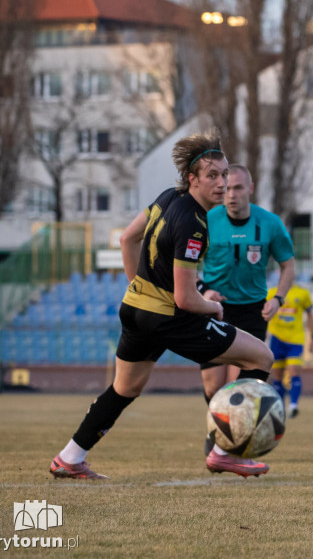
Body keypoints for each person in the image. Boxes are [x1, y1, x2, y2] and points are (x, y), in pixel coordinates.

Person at [49, 134, 275, 480]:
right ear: (192, 179)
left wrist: (140, 289)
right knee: (260, 357)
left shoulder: (168, 198)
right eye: (212, 175)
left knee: (125, 389)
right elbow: (186, 300)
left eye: (224, 174)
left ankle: (70, 457)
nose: (222, 182)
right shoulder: (195, 226)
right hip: (168, 316)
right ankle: (223, 452)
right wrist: (212, 308)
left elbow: (128, 239)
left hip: (136, 309)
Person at [199, 164, 295, 452]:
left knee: (238, 386)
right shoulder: (206, 220)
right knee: (212, 387)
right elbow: (184, 262)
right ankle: (219, 430)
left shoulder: (270, 223)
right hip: (214, 309)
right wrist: (203, 290)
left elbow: (288, 265)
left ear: (250, 189)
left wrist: (278, 298)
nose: (231, 194)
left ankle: (226, 443)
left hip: (253, 311)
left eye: (238, 188)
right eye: (227, 188)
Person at [266, 277, 313, 417]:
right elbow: (263, 314)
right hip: (276, 338)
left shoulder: (302, 293)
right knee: (277, 377)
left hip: (296, 339)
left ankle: (294, 405)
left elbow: (310, 315)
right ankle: (279, 407)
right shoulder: (271, 293)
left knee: (294, 371)